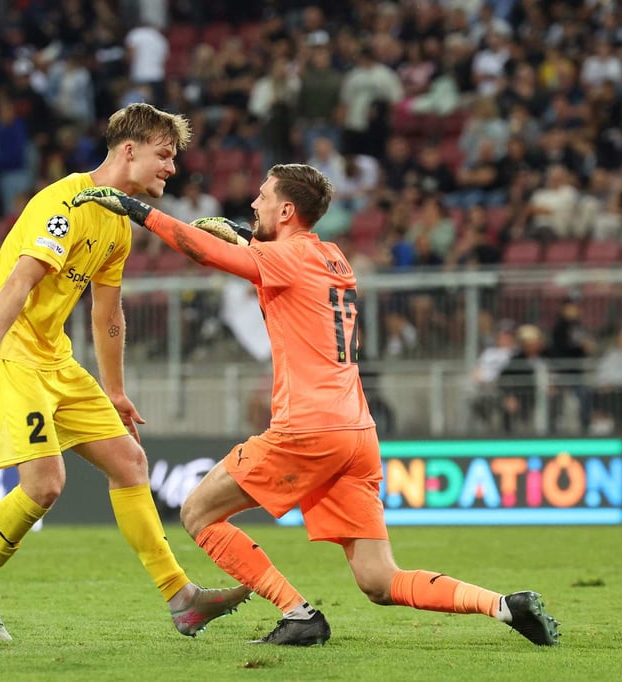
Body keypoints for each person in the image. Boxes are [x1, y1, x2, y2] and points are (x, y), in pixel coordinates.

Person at [73, 163, 560, 647]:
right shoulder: (332, 256)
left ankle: (298, 614)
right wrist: (247, 236)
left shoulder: (288, 258)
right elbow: (281, 265)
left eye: (262, 197)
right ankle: (503, 606)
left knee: (199, 513)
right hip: (357, 433)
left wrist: (138, 210)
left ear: (285, 209)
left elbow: (202, 250)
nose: (253, 202)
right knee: (378, 579)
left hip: (307, 428)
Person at [0, 103, 250, 643]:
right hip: (12, 356)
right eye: (164, 155)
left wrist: (115, 390)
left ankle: (181, 599)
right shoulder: (62, 204)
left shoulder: (117, 221)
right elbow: (19, 285)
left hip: (56, 360)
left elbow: (107, 312)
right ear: (129, 150)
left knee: (130, 462)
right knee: (45, 486)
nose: (172, 168)